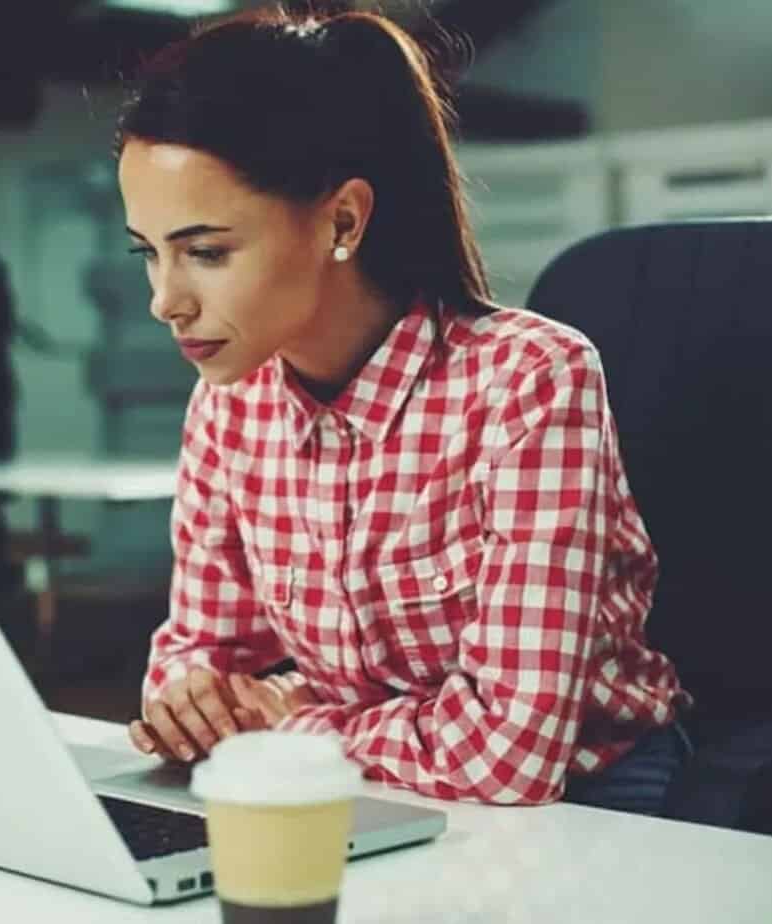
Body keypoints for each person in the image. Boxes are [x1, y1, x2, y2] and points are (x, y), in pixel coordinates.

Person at [116, 8, 692, 814]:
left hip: (578, 799)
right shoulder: (229, 402)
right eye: (149, 253)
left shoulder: (529, 381)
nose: (164, 301)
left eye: (205, 252)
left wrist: (290, 723)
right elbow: (197, 656)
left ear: (342, 221)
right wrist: (192, 704)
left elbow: (509, 757)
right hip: (364, 785)